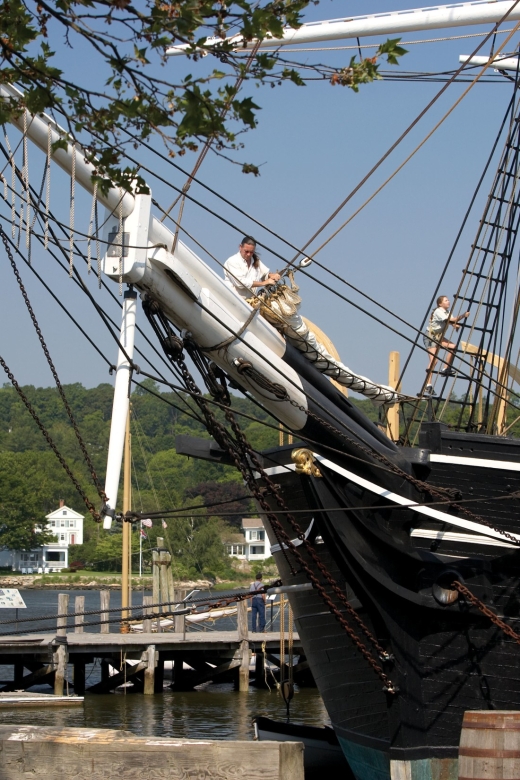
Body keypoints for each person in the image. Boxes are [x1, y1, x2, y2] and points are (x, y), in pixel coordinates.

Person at [423, 295, 469, 393]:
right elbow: (451, 320)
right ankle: (428, 384)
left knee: (453, 347)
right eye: (446, 300)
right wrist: (463, 316)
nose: (448, 302)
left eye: (448, 300)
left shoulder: (448, 312)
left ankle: (445, 369)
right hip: (431, 336)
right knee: (434, 361)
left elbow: (452, 321)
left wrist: (455, 326)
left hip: (439, 337)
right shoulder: (438, 311)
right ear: (440, 304)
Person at [224, 236, 280, 300]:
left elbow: (264, 275)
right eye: (246, 251)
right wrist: (263, 283)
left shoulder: (255, 260)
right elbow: (240, 283)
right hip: (231, 300)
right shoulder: (232, 261)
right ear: (240, 247)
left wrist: (272, 276)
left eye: (251, 252)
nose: (248, 254)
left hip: (248, 303)